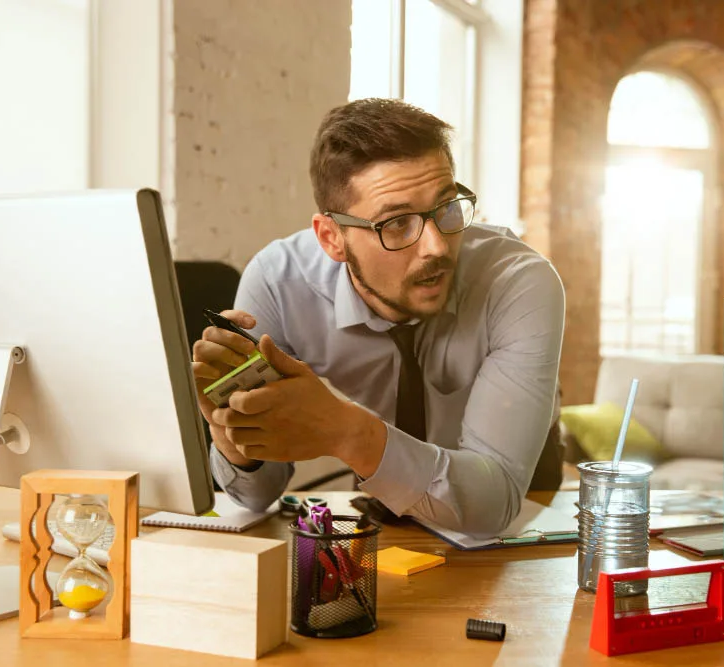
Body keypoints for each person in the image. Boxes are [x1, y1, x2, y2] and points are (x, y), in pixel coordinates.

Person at [191, 98, 564, 538]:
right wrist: (238, 447)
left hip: (519, 505)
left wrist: (348, 433)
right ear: (332, 238)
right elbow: (257, 496)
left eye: (446, 207)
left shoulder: (519, 282)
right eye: (398, 223)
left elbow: (492, 506)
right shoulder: (279, 283)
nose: (437, 247)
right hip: (381, 501)